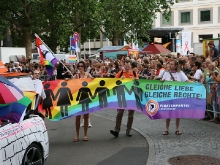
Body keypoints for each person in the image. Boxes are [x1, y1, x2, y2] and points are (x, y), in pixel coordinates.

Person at [161, 59, 191, 135]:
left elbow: (187, 81)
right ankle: (166, 129)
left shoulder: (180, 73)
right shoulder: (167, 73)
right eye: (169, 64)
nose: (170, 65)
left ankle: (177, 128)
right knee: (168, 112)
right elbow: (162, 81)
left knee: (178, 113)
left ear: (175, 66)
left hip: (177, 96)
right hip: (168, 96)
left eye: (171, 64)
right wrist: (161, 81)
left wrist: (196, 84)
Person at [110, 59, 138, 138]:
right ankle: (116, 130)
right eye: (126, 66)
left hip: (131, 96)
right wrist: (119, 80)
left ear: (130, 66)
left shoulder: (134, 73)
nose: (127, 67)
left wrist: (136, 80)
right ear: (123, 66)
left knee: (131, 115)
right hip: (122, 96)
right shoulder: (120, 73)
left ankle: (128, 130)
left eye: (128, 66)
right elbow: (114, 83)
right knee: (119, 114)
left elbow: (138, 84)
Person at [73, 61, 93, 142]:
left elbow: (94, 82)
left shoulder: (88, 75)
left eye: (82, 66)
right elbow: (71, 84)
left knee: (85, 117)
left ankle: (85, 134)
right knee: (77, 117)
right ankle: (77, 135)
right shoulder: (76, 76)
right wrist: (67, 80)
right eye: (79, 66)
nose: (80, 67)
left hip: (86, 98)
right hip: (78, 99)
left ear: (84, 67)